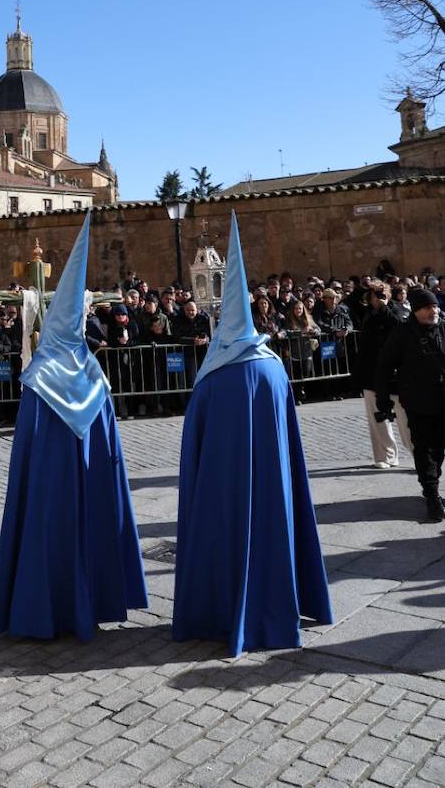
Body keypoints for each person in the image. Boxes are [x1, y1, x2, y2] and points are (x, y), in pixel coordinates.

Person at [172, 213, 332, 656]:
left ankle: (219, 610)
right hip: (273, 483)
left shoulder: (212, 376)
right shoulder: (275, 367)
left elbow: (194, 440)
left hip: (221, 488)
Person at [0, 213, 147, 640]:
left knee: (45, 529)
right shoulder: (95, 377)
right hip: (86, 483)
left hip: (45, 489)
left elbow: (24, 450)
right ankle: (93, 598)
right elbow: (111, 451)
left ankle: (40, 603)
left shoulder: (37, 379)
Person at [376, 287, 445, 521]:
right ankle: (432, 495)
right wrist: (383, 400)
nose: (433, 310)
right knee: (424, 447)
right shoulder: (402, 334)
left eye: (434, 306)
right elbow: (385, 366)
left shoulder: (443, 328)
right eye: (427, 307)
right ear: (415, 310)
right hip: (418, 401)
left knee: (439, 448)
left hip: (443, 400)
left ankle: (432, 483)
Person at [359, 284, 411, 469]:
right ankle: (386, 455)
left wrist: (385, 307)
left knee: (405, 417)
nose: (377, 298)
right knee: (377, 417)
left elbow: (400, 328)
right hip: (372, 374)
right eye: (374, 295)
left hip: (396, 374)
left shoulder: (398, 311)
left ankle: (418, 453)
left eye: (381, 294)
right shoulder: (368, 315)